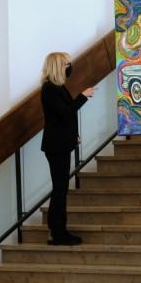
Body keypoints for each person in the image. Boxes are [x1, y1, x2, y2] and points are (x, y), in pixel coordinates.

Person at [40, 52, 94, 245]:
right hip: (55, 146)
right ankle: (57, 232)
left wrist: (73, 136)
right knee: (60, 188)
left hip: (61, 144)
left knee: (61, 188)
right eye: (66, 64)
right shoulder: (49, 89)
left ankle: (57, 230)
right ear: (57, 66)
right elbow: (66, 112)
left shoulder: (58, 87)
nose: (69, 67)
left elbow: (65, 116)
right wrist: (83, 96)